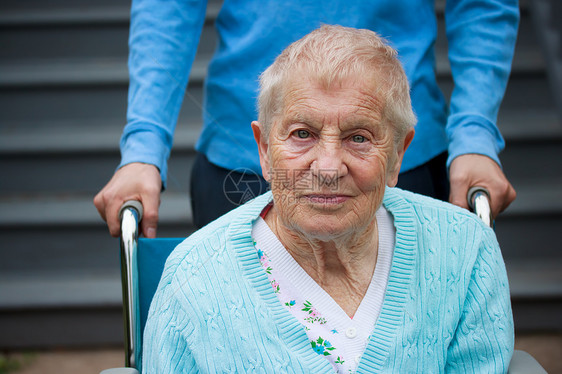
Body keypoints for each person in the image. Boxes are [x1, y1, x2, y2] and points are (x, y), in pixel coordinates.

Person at [142, 26, 513, 373]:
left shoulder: (464, 252)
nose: (328, 168)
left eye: (359, 138)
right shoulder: (194, 279)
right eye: (303, 133)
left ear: (398, 155)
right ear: (265, 149)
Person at [93, 0, 518, 237]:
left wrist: (475, 133)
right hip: (241, 158)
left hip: (391, 151)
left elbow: (483, 5)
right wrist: (143, 147)